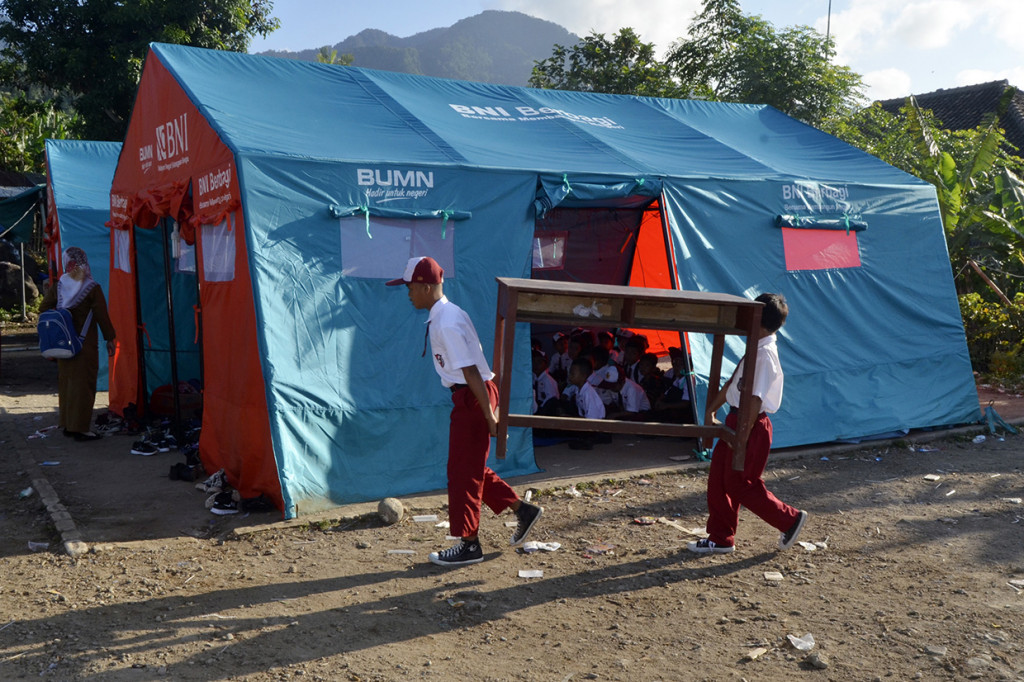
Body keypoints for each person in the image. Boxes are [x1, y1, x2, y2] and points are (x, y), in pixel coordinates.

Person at [387, 256, 542, 567]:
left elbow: (471, 370)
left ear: (426, 287)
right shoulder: (446, 314)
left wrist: (490, 416)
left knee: (462, 472)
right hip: (472, 396)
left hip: (474, 396)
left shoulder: (446, 321)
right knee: (468, 466)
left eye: (410, 288)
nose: (408, 294)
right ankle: (522, 510)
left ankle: (470, 545)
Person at [688, 292, 807, 555]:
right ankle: (720, 538)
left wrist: (741, 435)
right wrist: (712, 410)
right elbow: (733, 383)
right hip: (736, 419)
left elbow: (754, 399)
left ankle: (789, 519)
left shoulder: (765, 354)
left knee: (741, 483)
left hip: (750, 423)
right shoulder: (755, 346)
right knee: (719, 479)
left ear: (760, 320)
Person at [39, 247, 116, 441]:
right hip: (84, 345)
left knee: (67, 384)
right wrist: (110, 338)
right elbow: (102, 316)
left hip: (63, 343)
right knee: (84, 385)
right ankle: (81, 429)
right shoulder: (91, 287)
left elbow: (44, 308)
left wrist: (61, 319)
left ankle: (67, 424)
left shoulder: (59, 286)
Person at [532, 350, 560, 416]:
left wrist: (540, 409)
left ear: (545, 364)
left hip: (545, 411)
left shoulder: (549, 380)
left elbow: (551, 400)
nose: (536, 365)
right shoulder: (532, 377)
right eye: (533, 361)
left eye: (539, 362)